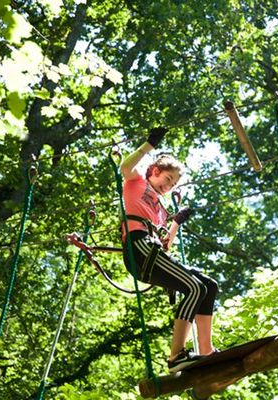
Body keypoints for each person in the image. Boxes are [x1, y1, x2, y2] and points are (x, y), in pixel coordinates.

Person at [120, 127, 218, 373]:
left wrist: (175, 222)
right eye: (167, 180)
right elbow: (125, 167)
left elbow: (165, 246)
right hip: (138, 247)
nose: (169, 186)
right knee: (195, 288)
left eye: (173, 184)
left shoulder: (162, 210)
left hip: (153, 251)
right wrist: (148, 146)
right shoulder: (137, 183)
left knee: (209, 285)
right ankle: (176, 356)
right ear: (154, 171)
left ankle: (206, 350)